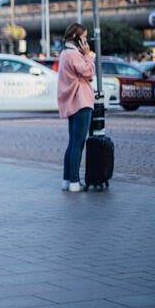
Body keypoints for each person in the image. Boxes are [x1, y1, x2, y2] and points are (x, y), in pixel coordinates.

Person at [57, 22, 95, 192]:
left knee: (72, 143)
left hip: (73, 102)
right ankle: (74, 181)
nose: (86, 41)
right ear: (76, 37)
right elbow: (88, 72)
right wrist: (88, 56)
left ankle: (67, 180)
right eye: (84, 37)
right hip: (81, 101)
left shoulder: (64, 53)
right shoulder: (74, 55)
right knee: (78, 144)